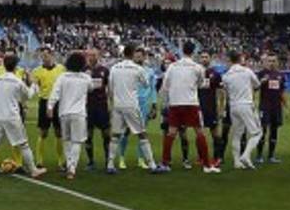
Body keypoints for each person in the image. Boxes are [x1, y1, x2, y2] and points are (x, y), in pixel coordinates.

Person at [0, 55, 46, 180]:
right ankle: (33, 170)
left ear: (4, 65)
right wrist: (34, 86)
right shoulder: (17, 81)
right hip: (12, 117)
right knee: (23, 144)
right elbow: (28, 96)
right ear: (15, 66)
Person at [155, 41, 218, 174]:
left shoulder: (172, 66)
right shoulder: (197, 67)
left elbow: (165, 85)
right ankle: (207, 165)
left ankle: (165, 163)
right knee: (199, 132)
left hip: (175, 103)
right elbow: (201, 84)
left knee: (171, 132)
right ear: (193, 52)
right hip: (191, 102)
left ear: (182, 50)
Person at [107, 43, 156, 174]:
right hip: (131, 105)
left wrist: (112, 103)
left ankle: (110, 164)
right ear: (133, 53)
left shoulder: (114, 68)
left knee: (116, 135)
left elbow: (110, 88)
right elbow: (146, 85)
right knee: (142, 133)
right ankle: (152, 165)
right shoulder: (138, 69)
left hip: (117, 105)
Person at [48, 51, 93, 179]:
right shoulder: (85, 78)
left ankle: (69, 164)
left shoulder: (62, 77)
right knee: (77, 141)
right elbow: (91, 88)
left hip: (64, 112)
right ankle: (72, 168)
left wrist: (50, 106)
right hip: (79, 113)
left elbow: (55, 92)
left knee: (66, 140)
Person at [221, 51, 262, 169]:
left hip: (233, 106)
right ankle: (246, 155)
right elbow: (257, 85)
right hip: (246, 104)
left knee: (237, 134)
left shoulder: (226, 75)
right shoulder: (247, 71)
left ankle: (236, 162)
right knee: (257, 133)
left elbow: (226, 91)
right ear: (239, 59)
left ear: (230, 60)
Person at [30, 46, 65, 169]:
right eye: (42, 56)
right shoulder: (37, 71)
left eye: (46, 55)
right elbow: (34, 85)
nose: (44, 58)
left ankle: (61, 161)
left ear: (52, 55)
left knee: (59, 132)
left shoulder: (61, 69)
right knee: (43, 132)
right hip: (44, 102)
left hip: (58, 103)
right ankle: (39, 160)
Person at [83, 50, 111, 171]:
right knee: (88, 135)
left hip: (102, 106)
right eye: (89, 55)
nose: (91, 57)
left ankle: (107, 161)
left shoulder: (104, 70)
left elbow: (109, 88)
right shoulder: (83, 71)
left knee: (106, 134)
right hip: (88, 107)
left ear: (98, 56)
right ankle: (90, 162)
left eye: (94, 55)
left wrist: (110, 104)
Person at [257, 55, 286, 163]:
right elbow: (255, 88)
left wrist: (285, 104)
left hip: (276, 107)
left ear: (277, 62)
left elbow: (281, 91)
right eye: (269, 61)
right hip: (264, 107)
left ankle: (271, 156)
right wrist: (262, 81)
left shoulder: (280, 75)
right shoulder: (261, 74)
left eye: (274, 61)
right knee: (262, 131)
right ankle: (259, 156)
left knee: (274, 131)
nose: (271, 63)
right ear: (266, 62)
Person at [198, 52, 226, 164]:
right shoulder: (196, 73)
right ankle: (201, 157)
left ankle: (217, 157)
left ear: (210, 59)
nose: (204, 59)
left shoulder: (215, 74)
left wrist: (221, 108)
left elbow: (221, 92)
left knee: (215, 133)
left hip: (211, 108)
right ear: (199, 59)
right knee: (199, 133)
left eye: (206, 57)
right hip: (199, 107)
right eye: (202, 57)